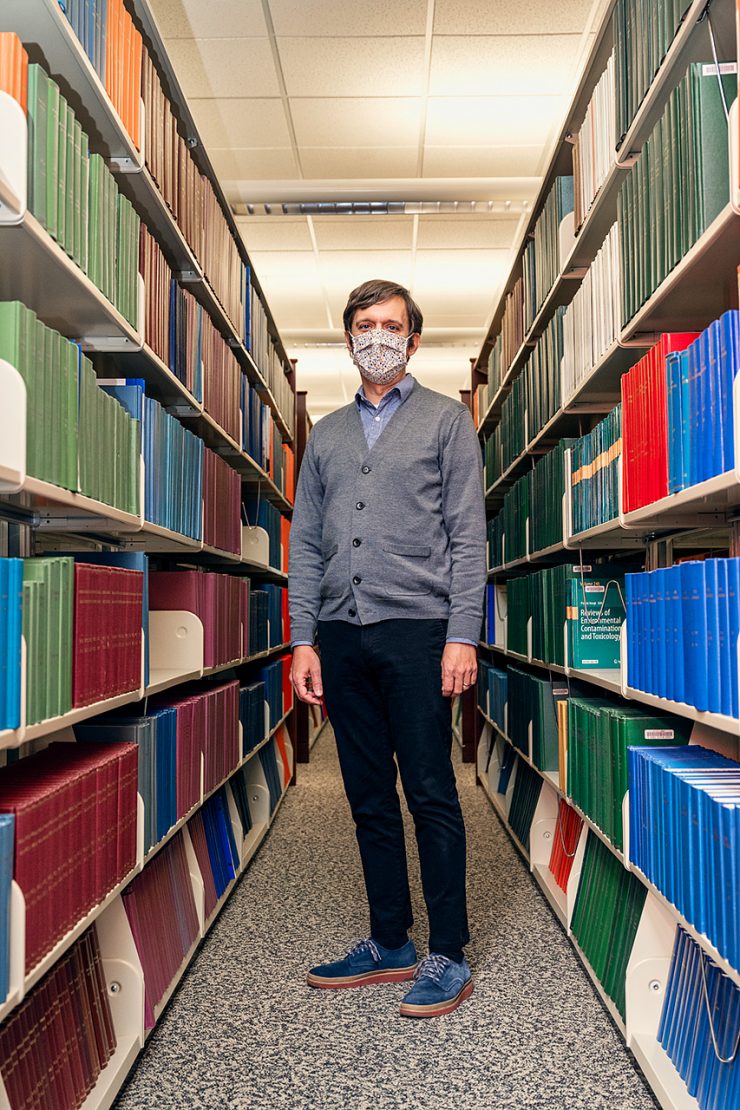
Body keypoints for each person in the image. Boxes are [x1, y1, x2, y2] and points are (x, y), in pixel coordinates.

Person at [288, 278, 486, 1018]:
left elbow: (468, 538)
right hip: (342, 636)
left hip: (419, 633)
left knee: (431, 791)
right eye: (365, 324)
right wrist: (302, 640)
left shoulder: (446, 422)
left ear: (413, 339)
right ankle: (390, 940)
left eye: (391, 325)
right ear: (349, 339)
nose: (378, 336)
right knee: (367, 795)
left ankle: (449, 952)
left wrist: (461, 634)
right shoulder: (327, 435)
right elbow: (306, 544)